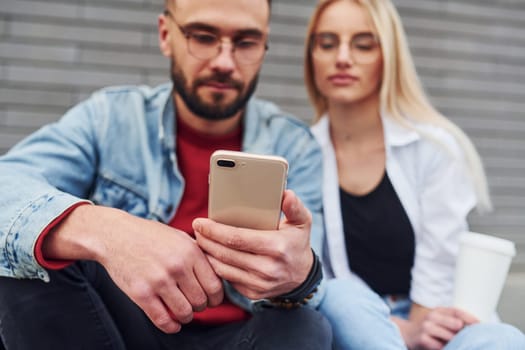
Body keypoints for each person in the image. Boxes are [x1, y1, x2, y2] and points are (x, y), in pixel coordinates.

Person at [0, 0, 333, 349]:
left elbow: (315, 286)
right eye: (203, 37)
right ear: (165, 35)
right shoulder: (111, 118)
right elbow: (8, 186)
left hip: (244, 336)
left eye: (246, 43)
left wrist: (300, 275)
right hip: (122, 327)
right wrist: (108, 231)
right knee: (33, 250)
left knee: (307, 325)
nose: (224, 62)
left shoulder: (295, 145)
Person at [304, 0, 525, 349]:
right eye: (327, 44)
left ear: (388, 56)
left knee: (503, 339)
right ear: (311, 57)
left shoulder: (434, 147)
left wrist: (417, 327)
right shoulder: (301, 152)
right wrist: (397, 331)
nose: (342, 57)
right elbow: (311, 276)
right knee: (340, 296)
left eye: (363, 44)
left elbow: (439, 264)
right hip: (359, 319)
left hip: (437, 315)